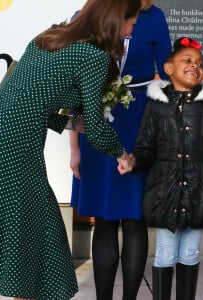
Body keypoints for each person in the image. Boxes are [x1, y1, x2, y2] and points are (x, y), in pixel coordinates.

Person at [0, 0, 141, 299]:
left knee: (29, 236)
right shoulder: (93, 57)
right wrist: (123, 155)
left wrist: (75, 124)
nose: (129, 33)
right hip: (14, 147)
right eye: (131, 24)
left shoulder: (48, 38)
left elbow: (33, 104)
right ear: (116, 19)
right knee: (36, 237)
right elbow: (99, 132)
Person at [118, 37, 203, 300]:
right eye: (187, 60)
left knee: (190, 254)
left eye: (200, 63)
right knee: (165, 254)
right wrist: (134, 160)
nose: (195, 66)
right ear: (168, 68)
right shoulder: (156, 106)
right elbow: (146, 147)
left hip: (199, 195)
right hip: (165, 194)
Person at [69, 1, 172, 299]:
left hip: (139, 119)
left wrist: (200, 106)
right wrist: (74, 147)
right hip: (96, 117)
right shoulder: (90, 14)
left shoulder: (155, 17)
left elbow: (169, 71)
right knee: (104, 216)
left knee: (134, 216)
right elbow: (74, 88)